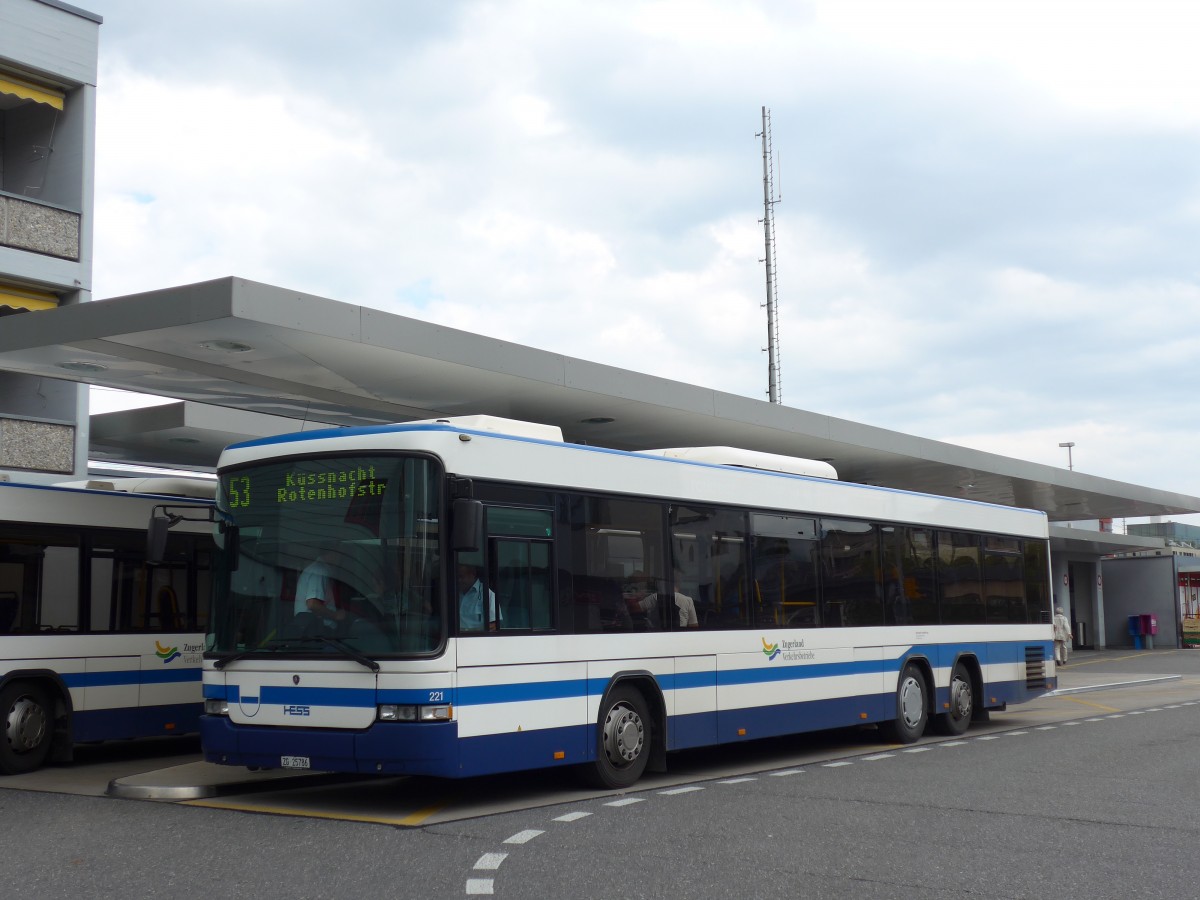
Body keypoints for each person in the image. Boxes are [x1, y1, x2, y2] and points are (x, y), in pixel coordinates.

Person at [624, 572, 699, 629]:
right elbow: (694, 626)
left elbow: (633, 609)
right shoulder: (688, 600)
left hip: (657, 636)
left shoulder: (655, 597)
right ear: (678, 583)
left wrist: (637, 597)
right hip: (680, 638)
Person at [294, 550, 346, 629]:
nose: (341, 557)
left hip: (317, 629)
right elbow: (313, 604)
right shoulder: (319, 570)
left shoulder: (321, 569)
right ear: (332, 553)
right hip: (318, 632)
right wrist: (336, 615)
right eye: (339, 553)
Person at [458, 563, 499, 632]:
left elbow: (494, 626)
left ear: (473, 574)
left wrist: (469, 631)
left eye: (461, 577)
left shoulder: (487, 594)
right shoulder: (453, 593)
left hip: (476, 637)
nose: (458, 580)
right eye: (456, 577)